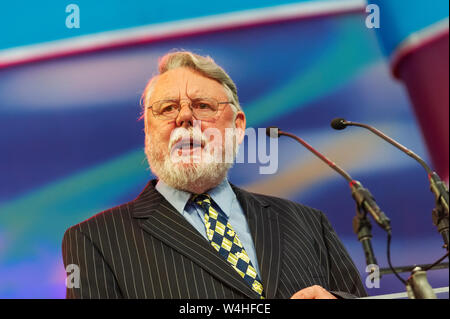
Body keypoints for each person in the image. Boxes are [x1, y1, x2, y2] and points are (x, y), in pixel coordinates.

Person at [62, 51, 367, 299]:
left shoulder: (308, 223)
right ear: (148, 131)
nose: (184, 117)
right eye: (167, 109)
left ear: (237, 126)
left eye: (202, 106)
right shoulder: (96, 241)